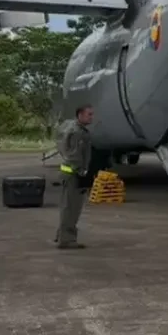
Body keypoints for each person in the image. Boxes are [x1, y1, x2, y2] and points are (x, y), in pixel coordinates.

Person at [54, 104, 94, 249]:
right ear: (80, 115)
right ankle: (67, 239)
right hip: (73, 174)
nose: (91, 117)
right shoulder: (78, 133)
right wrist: (82, 171)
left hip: (69, 173)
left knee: (68, 207)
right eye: (89, 114)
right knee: (71, 208)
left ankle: (63, 236)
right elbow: (75, 155)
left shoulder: (71, 128)